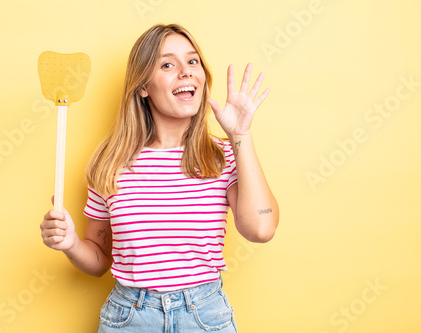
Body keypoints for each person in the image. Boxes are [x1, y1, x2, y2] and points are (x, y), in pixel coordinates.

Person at [40, 23, 279, 332]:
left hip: (204, 317)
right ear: (143, 86)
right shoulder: (109, 164)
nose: (186, 72)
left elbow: (261, 228)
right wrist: (71, 243)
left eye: (192, 61)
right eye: (168, 64)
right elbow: (99, 260)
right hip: (129, 318)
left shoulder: (221, 156)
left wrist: (241, 135)